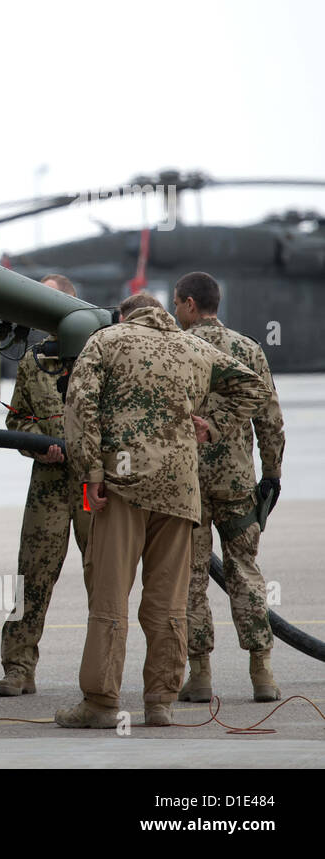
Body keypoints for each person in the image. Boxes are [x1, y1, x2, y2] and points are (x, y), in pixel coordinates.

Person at [56, 293, 267, 728]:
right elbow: (254, 387)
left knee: (110, 597)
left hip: (123, 485)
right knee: (168, 601)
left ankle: (100, 704)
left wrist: (91, 472)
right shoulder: (194, 347)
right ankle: (160, 702)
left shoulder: (107, 340)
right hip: (179, 489)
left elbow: (80, 407)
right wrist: (214, 426)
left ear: (124, 315)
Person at [172, 272, 285, 702]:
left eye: (176, 304)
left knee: (191, 577)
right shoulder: (249, 349)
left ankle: (199, 675)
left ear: (188, 304)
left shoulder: (177, 349)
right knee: (245, 572)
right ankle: (263, 674)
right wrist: (271, 474)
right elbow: (270, 418)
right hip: (237, 482)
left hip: (187, 484)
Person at [0, 275, 92, 696]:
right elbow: (16, 421)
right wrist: (37, 448)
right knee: (32, 574)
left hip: (93, 482)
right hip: (49, 483)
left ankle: (104, 673)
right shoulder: (33, 362)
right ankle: (18, 667)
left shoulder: (99, 355)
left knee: (106, 577)